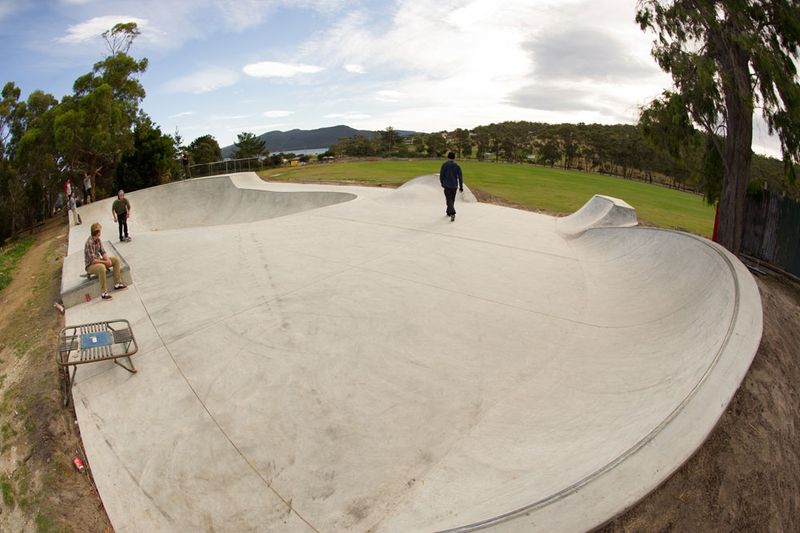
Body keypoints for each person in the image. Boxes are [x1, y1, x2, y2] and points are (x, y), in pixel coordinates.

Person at [84, 223, 126, 300]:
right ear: (97, 232)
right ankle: (104, 293)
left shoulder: (98, 240)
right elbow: (92, 261)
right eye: (100, 231)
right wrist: (105, 262)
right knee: (102, 267)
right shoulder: (89, 243)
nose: (101, 232)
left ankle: (117, 284)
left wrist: (107, 259)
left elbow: (103, 252)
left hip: (98, 260)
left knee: (115, 260)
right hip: (90, 266)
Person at [439, 151, 463, 221]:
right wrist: (461, 186)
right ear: (454, 158)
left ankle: (452, 213)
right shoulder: (457, 166)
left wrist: (442, 183)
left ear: (448, 157)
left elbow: (441, 175)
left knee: (449, 200)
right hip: (454, 185)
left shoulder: (444, 165)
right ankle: (448, 212)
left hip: (447, 185)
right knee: (452, 200)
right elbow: (460, 177)